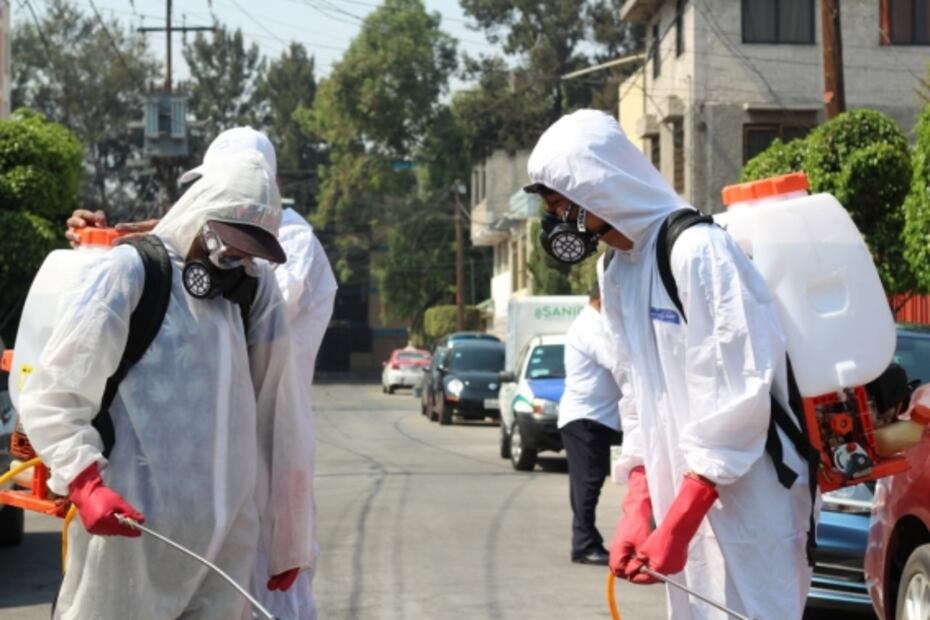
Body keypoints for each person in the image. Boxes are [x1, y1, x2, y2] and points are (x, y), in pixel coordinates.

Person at [525, 109, 814, 619]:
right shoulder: (616, 269)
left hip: (750, 500)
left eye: (559, 205)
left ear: (598, 188)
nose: (556, 224)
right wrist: (640, 507)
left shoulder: (697, 250)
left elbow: (741, 394)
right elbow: (637, 395)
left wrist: (679, 520)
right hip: (680, 495)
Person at [19, 153, 314, 619]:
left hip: (223, 548)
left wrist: (289, 537)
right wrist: (84, 480)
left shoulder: (254, 293)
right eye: (226, 249)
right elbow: (54, 395)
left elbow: (282, 414)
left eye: (246, 254)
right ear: (200, 214)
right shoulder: (130, 273)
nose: (232, 265)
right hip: (130, 538)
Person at [558, 279, 623, 566]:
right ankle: (584, 544)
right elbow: (616, 360)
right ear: (602, 300)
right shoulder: (589, 328)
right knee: (588, 483)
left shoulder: (596, 324)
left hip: (597, 416)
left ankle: (586, 540)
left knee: (586, 483)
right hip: (586, 417)